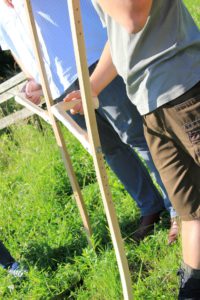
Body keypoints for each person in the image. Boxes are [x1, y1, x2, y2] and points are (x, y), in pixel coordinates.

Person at [0, 0, 178, 243]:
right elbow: (17, 48)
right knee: (108, 148)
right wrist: (36, 80)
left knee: (136, 134)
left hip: (92, 60)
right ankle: (150, 206)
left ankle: (178, 205)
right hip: (59, 85)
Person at [63, 0, 200, 298]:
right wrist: (92, 86)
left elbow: (132, 15)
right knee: (192, 212)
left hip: (183, 88)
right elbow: (121, 37)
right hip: (151, 106)